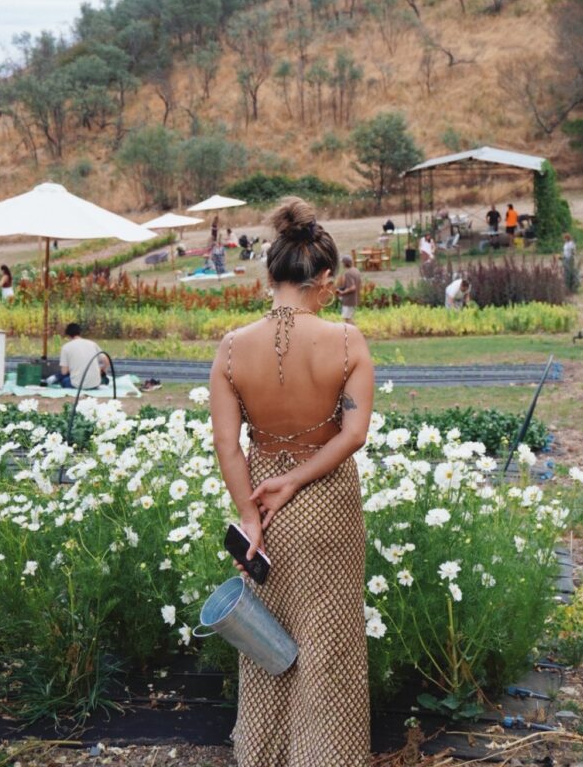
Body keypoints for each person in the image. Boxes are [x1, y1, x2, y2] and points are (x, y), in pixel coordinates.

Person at [210, 197, 372, 766]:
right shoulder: (346, 342)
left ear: (271, 273)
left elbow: (227, 444)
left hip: (263, 510)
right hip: (327, 502)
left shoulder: (232, 348)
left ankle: (264, 756)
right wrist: (299, 478)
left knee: (268, 644)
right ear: (323, 277)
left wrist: (251, 517)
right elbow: (352, 435)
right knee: (330, 643)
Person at [53, 323, 110, 389]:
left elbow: (64, 372)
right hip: (95, 384)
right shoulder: (92, 344)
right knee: (105, 379)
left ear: (68, 335)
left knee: (64, 380)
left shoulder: (66, 347)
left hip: (77, 385)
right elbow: (106, 361)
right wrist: (102, 370)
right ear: (79, 332)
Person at [336, 254, 362, 321]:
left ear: (345, 263)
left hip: (349, 300)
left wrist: (342, 292)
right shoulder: (356, 271)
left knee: (347, 319)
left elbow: (352, 287)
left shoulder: (348, 273)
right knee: (350, 318)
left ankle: (355, 331)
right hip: (355, 299)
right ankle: (354, 331)